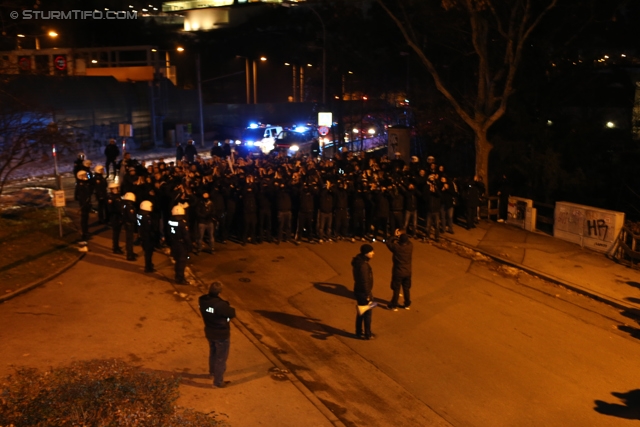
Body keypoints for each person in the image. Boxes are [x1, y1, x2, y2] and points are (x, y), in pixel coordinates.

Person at [199, 281, 236, 388]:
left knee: (213, 353)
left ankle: (212, 372)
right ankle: (218, 382)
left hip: (210, 331)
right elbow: (232, 313)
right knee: (221, 358)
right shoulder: (220, 305)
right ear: (220, 292)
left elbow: (210, 310)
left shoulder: (202, 300)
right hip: (221, 334)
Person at [386, 229, 413, 311]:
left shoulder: (396, 247)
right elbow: (408, 241)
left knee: (396, 288)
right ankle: (407, 303)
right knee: (406, 288)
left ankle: (394, 304)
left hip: (398, 271)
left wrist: (394, 236)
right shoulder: (410, 246)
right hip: (408, 271)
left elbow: (388, 243)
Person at [352, 244, 375, 340]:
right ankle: (367, 334)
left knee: (361, 312)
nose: (373, 253)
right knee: (367, 313)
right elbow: (365, 281)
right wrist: (368, 295)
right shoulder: (364, 266)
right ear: (366, 253)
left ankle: (358, 332)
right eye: (371, 251)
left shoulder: (358, 262)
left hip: (358, 290)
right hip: (364, 292)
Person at [169, 204, 191, 284]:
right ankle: (180, 279)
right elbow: (186, 236)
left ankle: (177, 276)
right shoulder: (182, 223)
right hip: (181, 245)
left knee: (177, 261)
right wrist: (189, 246)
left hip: (174, 243)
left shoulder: (170, 221)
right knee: (182, 262)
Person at [137, 200, 155, 273]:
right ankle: (148, 267)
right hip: (147, 236)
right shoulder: (146, 217)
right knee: (148, 252)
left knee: (146, 251)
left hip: (142, 235)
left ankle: (149, 265)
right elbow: (149, 228)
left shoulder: (139, 214)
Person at [107, 182, 124, 254]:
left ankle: (116, 246)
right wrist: (119, 211)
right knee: (116, 233)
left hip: (119, 216)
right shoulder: (111, 197)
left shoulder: (118, 196)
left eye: (116, 188)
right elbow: (110, 209)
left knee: (118, 232)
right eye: (113, 189)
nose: (115, 190)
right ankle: (115, 248)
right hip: (115, 217)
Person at [76, 170, 93, 241]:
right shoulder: (80, 185)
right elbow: (79, 196)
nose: (86, 176)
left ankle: (86, 231)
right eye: (84, 175)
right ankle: (84, 233)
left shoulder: (86, 183)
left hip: (87, 203)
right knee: (84, 219)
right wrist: (84, 202)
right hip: (84, 204)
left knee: (86, 218)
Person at [122, 192, 137, 261]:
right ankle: (129, 255)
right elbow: (132, 217)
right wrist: (136, 221)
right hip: (129, 224)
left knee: (129, 240)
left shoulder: (125, 205)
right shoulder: (130, 207)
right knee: (130, 240)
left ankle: (130, 252)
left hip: (127, 224)